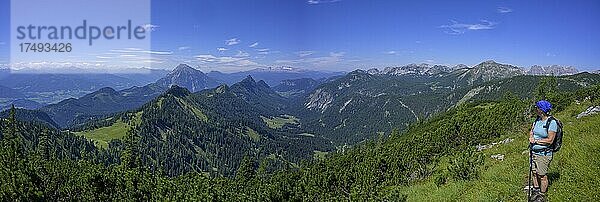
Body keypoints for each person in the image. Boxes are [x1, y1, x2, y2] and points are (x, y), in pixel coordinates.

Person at [528, 100, 558, 201]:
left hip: (544, 154)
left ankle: (542, 194)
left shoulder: (552, 122)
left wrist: (535, 141)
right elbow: (532, 131)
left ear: (541, 110)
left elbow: (550, 140)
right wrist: (531, 136)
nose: (535, 109)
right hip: (534, 152)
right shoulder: (537, 120)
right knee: (534, 172)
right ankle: (536, 190)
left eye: (537, 108)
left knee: (542, 175)